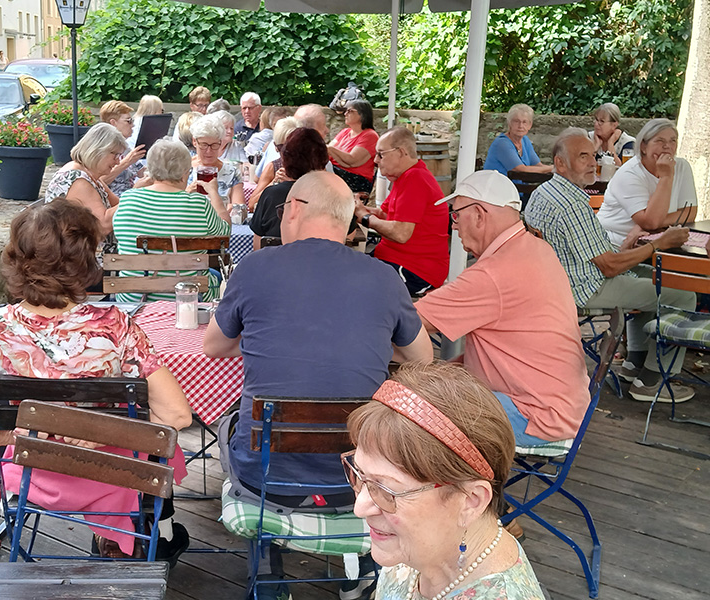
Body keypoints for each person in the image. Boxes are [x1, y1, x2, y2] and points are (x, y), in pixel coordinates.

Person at [0, 198, 194, 560]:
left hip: (33, 473)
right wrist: (97, 434)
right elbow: (177, 417)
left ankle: (122, 536)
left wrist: (16, 435)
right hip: (112, 473)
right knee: (156, 450)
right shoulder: (115, 325)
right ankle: (133, 535)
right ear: (86, 261)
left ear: (16, 259)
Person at [204, 170, 432, 599]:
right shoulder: (383, 276)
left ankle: (268, 569)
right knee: (370, 426)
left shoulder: (255, 268)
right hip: (360, 480)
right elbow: (422, 358)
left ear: (293, 209)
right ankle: (362, 570)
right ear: (345, 222)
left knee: (235, 422)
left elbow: (214, 346)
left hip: (266, 479)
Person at [415, 169, 590, 452]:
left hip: (534, 416)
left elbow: (409, 322)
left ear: (480, 215)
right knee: (427, 390)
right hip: (563, 406)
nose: (454, 226)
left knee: (413, 415)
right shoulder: (537, 248)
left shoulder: (494, 273)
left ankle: (450, 494)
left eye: (456, 215)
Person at [346, 362, 545, 600]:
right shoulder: (426, 546)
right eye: (359, 475)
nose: (359, 508)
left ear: (470, 501)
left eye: (387, 490)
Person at [525, 128, 696, 403]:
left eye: (593, 156)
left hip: (560, 280)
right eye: (583, 157)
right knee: (682, 291)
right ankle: (652, 381)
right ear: (560, 163)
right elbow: (609, 267)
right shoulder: (571, 204)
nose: (593, 163)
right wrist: (658, 243)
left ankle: (634, 363)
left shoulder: (544, 192)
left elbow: (594, 253)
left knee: (654, 277)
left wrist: (628, 247)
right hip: (583, 288)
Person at [114, 138, 231, 302]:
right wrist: (214, 193)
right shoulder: (199, 204)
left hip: (133, 298)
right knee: (215, 276)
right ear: (184, 173)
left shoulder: (127, 199)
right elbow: (224, 236)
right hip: (189, 297)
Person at [355, 127, 449, 296]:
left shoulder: (415, 179)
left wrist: (364, 217)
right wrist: (356, 207)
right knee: (346, 267)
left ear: (401, 152)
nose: (376, 160)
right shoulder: (406, 176)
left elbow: (400, 233)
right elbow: (384, 214)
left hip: (416, 271)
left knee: (350, 283)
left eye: (381, 154)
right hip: (397, 261)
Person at [597, 118, 698, 247]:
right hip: (614, 244)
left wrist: (651, 225)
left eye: (673, 141)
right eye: (659, 141)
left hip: (656, 241)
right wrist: (666, 177)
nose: (667, 146)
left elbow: (689, 213)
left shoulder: (682, 166)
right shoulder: (629, 173)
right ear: (643, 146)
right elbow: (651, 222)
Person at [45, 123, 128, 250]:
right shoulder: (77, 179)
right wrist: (135, 198)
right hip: (81, 259)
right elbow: (102, 226)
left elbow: (117, 205)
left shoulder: (89, 175)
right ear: (99, 150)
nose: (118, 161)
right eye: (115, 155)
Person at [249, 127, 328, 245]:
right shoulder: (333, 192)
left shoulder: (272, 194)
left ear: (285, 159)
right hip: (322, 261)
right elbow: (348, 239)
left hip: (276, 261)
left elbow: (258, 244)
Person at [187, 115, 244, 206]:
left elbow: (240, 208)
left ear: (220, 142)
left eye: (214, 145)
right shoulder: (183, 169)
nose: (209, 151)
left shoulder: (232, 172)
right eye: (204, 145)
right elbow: (171, 204)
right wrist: (188, 191)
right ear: (195, 142)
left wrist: (232, 208)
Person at [483, 104, 551, 177]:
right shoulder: (502, 143)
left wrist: (555, 169)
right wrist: (553, 168)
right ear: (509, 123)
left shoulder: (525, 141)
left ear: (530, 125)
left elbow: (538, 166)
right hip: (496, 186)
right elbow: (520, 169)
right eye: (516, 121)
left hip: (518, 186)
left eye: (524, 122)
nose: (520, 126)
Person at [246, 116, 299, 210]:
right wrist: (274, 182)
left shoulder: (311, 166)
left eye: (292, 148)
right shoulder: (273, 167)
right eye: (282, 148)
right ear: (275, 147)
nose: (288, 153)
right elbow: (251, 204)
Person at [327, 100, 379, 194]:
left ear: (362, 115)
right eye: (345, 110)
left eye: (350, 111)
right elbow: (326, 153)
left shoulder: (370, 135)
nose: (345, 113)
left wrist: (330, 150)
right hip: (338, 173)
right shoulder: (344, 132)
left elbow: (352, 161)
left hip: (355, 179)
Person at [99, 100, 147, 196]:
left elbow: (142, 172)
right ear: (113, 123)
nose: (132, 125)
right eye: (129, 121)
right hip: (114, 201)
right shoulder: (103, 148)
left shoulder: (124, 147)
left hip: (130, 197)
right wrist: (127, 161)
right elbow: (99, 182)